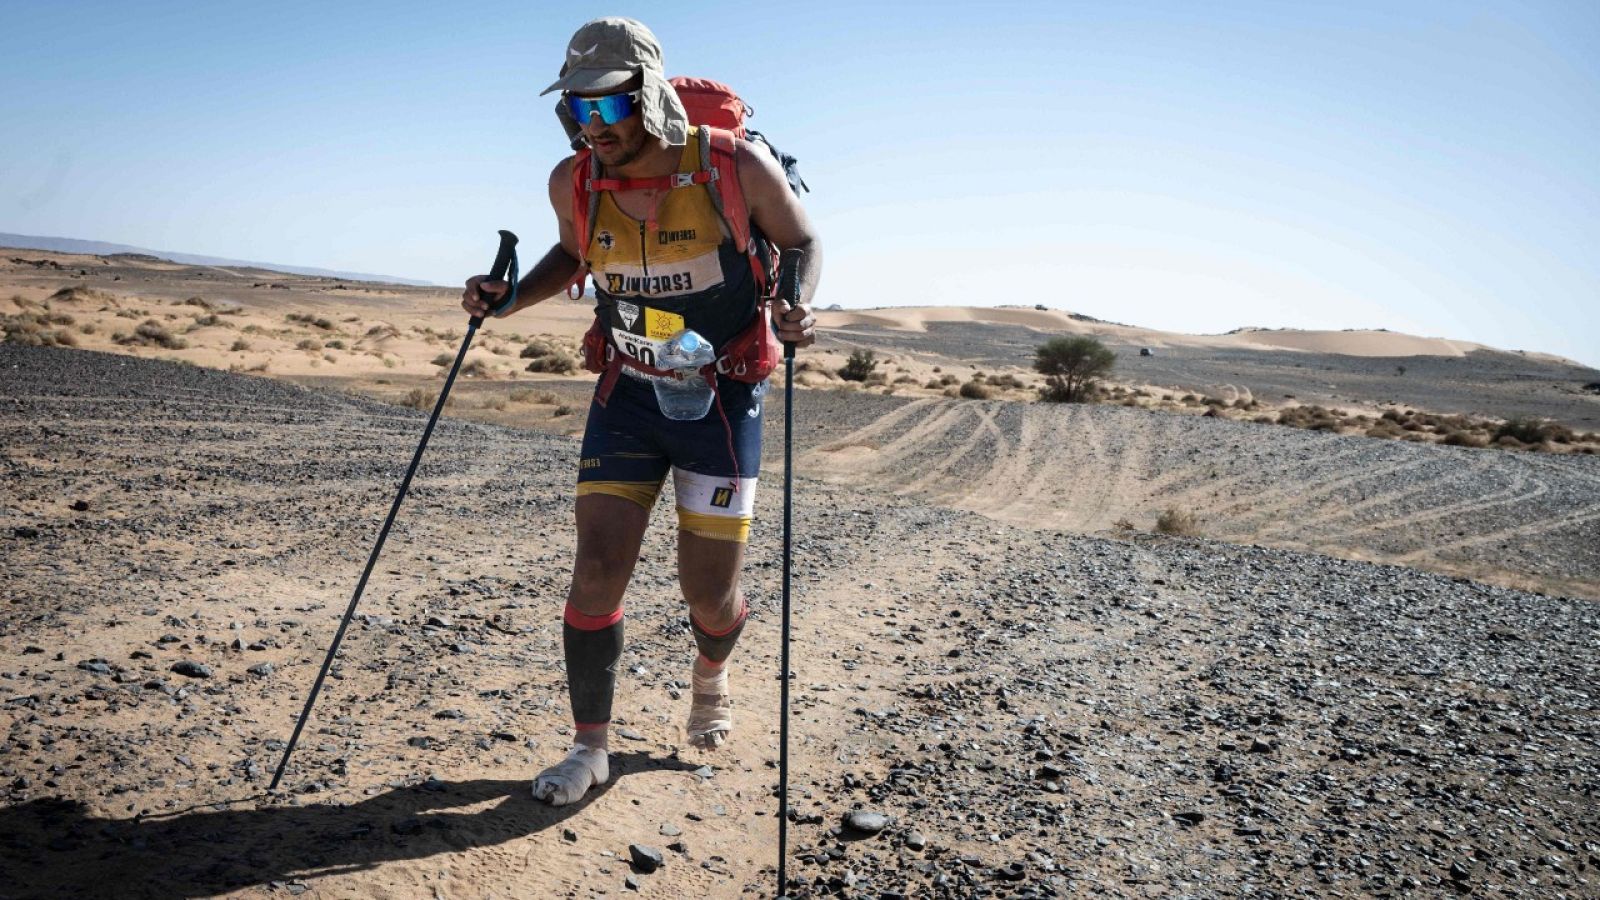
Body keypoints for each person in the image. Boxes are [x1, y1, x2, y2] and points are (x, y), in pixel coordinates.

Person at [461, 17, 821, 806]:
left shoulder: (731, 164)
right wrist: (509, 299)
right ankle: (590, 750)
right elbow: (576, 254)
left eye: (609, 108)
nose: (593, 129)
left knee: (708, 595)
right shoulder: (575, 180)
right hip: (627, 389)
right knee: (595, 571)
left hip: (723, 396)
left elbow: (800, 241)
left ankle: (711, 677)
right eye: (576, 112)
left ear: (648, 97)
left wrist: (795, 303)